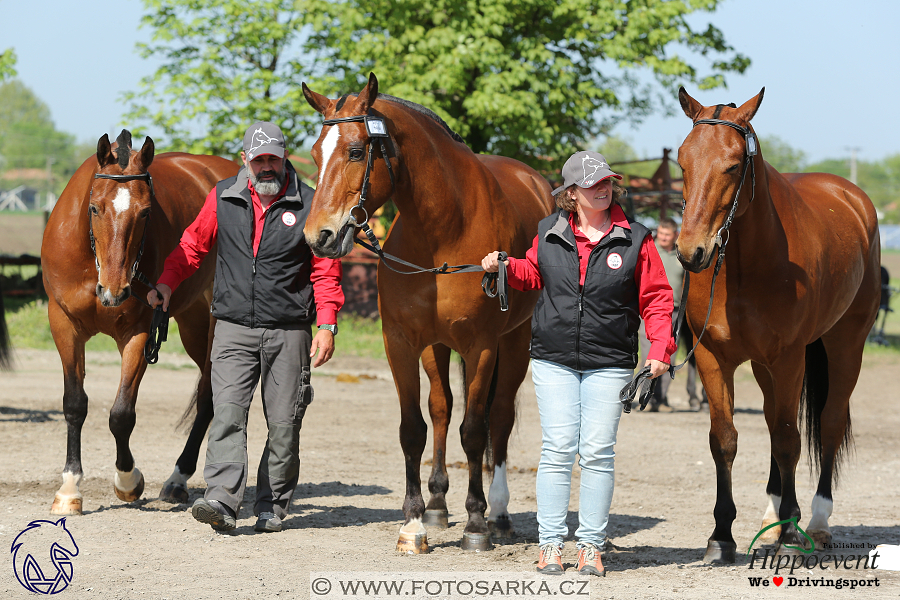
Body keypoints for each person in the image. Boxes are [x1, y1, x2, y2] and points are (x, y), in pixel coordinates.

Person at [481, 151, 675, 576]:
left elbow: (657, 298)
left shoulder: (636, 239)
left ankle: (590, 546)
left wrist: (661, 347)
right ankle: (550, 545)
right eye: (593, 184)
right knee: (557, 450)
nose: (603, 188)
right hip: (554, 358)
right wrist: (504, 265)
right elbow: (533, 273)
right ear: (572, 194)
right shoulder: (548, 232)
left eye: (606, 181)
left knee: (598, 452)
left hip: (610, 361)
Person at [148, 122, 344, 533]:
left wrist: (326, 323)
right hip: (233, 328)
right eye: (259, 160)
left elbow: (325, 271)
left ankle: (272, 503)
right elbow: (191, 247)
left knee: (285, 424)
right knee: (227, 415)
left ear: (284, 156)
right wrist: (166, 283)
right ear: (245, 161)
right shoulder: (223, 197)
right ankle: (221, 498)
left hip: (289, 331)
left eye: (273, 158)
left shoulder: (309, 203)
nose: (266, 167)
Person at [638, 218, 707, 412]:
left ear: (675, 235)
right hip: (649, 311)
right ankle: (646, 399)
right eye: (660, 233)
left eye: (667, 235)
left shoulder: (681, 255)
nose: (662, 238)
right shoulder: (650, 250)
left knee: (668, 357)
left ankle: (661, 399)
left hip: (675, 312)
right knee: (647, 355)